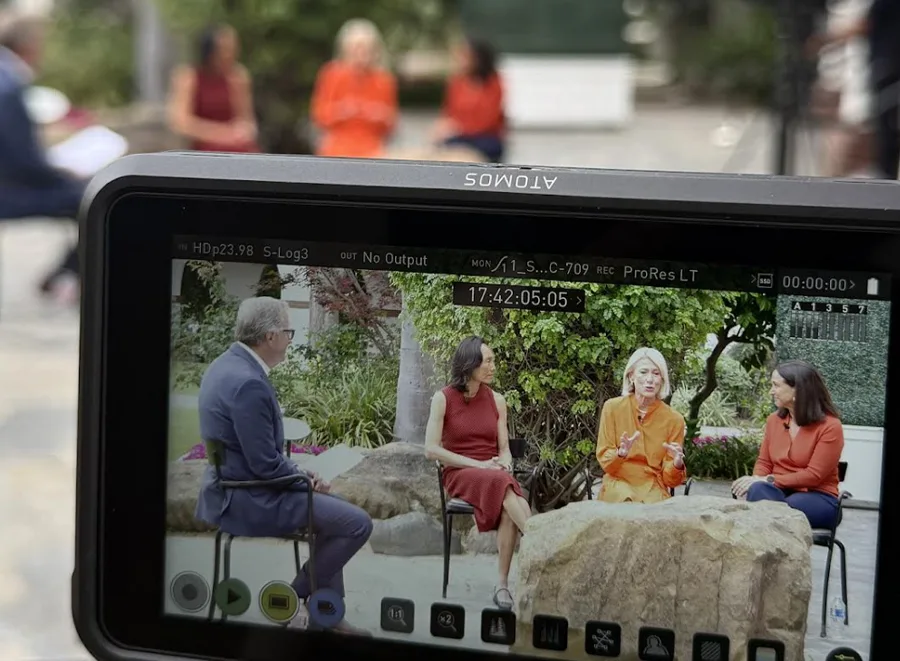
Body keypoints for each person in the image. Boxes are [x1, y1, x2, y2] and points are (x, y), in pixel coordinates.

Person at [195, 297, 372, 635]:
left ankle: (326, 616)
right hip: (248, 499)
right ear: (272, 336)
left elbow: (255, 455)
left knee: (341, 515)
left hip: (235, 487)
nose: (292, 340)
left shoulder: (225, 365)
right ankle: (293, 595)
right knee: (356, 524)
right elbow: (263, 465)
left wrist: (301, 473)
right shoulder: (248, 383)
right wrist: (305, 479)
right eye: (289, 333)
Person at [424, 336, 531, 610]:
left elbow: (504, 448)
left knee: (505, 492)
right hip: (459, 472)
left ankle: (502, 584)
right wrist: (479, 465)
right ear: (469, 364)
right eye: (488, 361)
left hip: (493, 472)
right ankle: (540, 540)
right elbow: (431, 450)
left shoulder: (497, 400)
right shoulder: (443, 398)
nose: (493, 366)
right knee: (503, 484)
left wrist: (504, 462)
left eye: (493, 360)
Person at [0, 11, 83, 304]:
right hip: (9, 192)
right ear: (28, 45)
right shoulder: (9, 85)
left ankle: (57, 277)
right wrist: (65, 171)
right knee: (91, 198)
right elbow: (25, 163)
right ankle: (63, 275)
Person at [731, 360, 844, 530]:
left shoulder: (830, 426)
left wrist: (769, 479)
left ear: (798, 391)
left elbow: (814, 475)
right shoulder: (774, 421)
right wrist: (754, 482)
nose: (771, 391)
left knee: (779, 506)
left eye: (776, 385)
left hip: (818, 497)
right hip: (778, 493)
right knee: (756, 491)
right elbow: (764, 462)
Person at [809, 0, 900, 179]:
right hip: (855, 78)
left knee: (855, 146)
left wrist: (828, 39)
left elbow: (865, 25)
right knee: (837, 150)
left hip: (873, 79)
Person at [595, 347, 687, 504]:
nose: (650, 379)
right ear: (631, 376)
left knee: (655, 513)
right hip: (618, 481)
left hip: (652, 485)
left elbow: (671, 480)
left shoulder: (674, 419)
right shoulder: (612, 408)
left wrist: (677, 464)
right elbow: (605, 462)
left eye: (656, 373)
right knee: (625, 503)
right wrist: (621, 453)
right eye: (643, 372)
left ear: (662, 379)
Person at [309, 19, 397, 158]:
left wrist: (377, 114)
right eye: (357, 47)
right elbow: (319, 116)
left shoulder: (383, 79)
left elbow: (391, 123)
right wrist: (342, 111)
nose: (361, 53)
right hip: (336, 148)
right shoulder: (332, 73)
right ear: (345, 48)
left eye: (367, 48)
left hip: (372, 149)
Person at [167, 23, 259, 153]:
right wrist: (221, 135)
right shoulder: (189, 77)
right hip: (202, 147)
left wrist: (242, 131)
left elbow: (246, 119)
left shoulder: (238, 77)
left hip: (236, 145)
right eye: (224, 49)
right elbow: (181, 122)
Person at [431, 37, 506, 163]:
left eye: (465, 56)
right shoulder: (456, 82)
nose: (461, 60)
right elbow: (448, 112)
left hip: (486, 139)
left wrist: (459, 128)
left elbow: (489, 120)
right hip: (459, 138)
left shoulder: (493, 83)